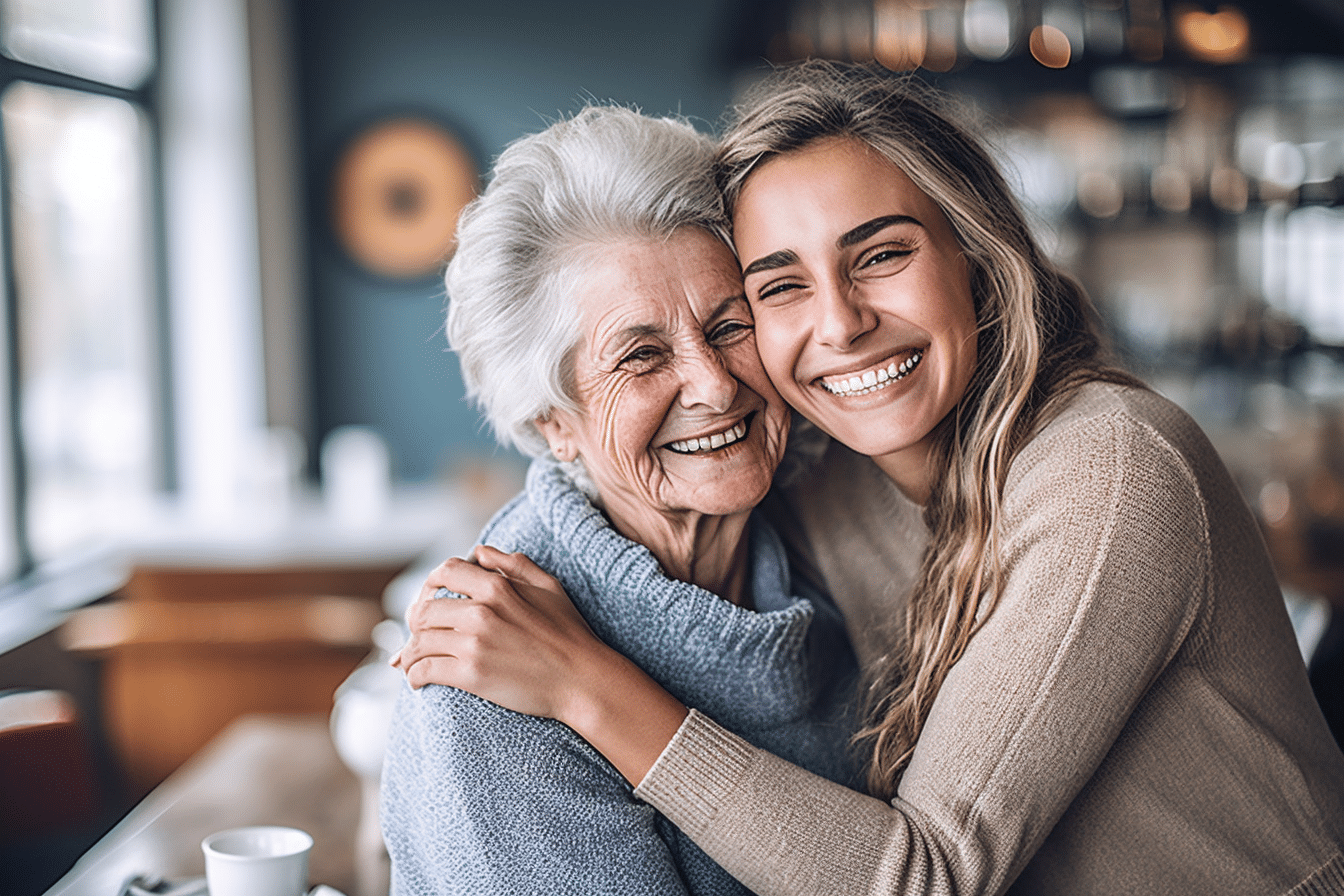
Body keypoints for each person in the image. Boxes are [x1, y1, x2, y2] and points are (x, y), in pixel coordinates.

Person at [394, 62, 1344, 895]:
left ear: (972, 255)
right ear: (549, 423)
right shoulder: (802, 483)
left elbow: (926, 874)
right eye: (779, 288)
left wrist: (589, 689)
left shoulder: (1108, 468)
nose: (718, 382)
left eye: (881, 255)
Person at [378, 104, 861, 896]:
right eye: (641, 355)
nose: (712, 384)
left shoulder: (827, 541)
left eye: (729, 326)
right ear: (553, 422)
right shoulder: (493, 678)